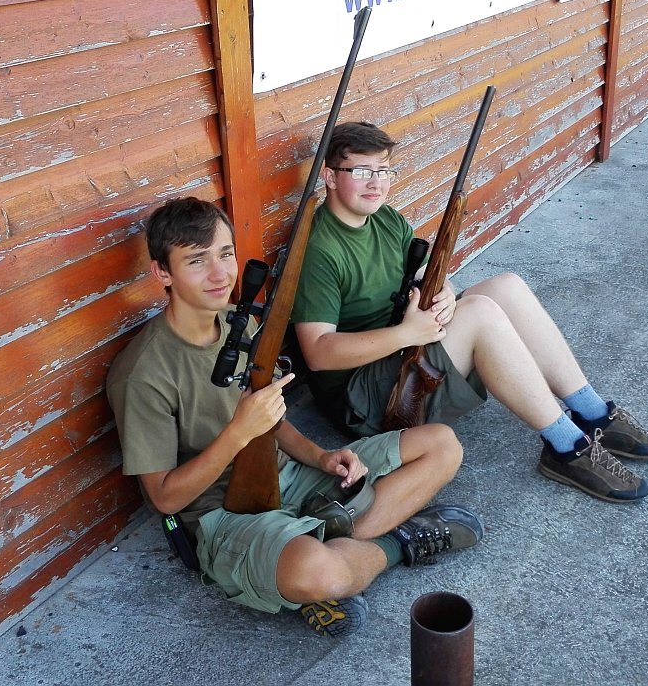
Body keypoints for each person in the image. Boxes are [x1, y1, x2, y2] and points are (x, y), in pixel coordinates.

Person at [106, 196, 484, 638]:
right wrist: (238, 433)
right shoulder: (142, 374)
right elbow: (165, 500)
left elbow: (270, 419)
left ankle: (328, 545)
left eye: (225, 254)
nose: (219, 274)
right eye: (196, 261)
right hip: (221, 515)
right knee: (315, 572)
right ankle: (397, 541)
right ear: (162, 273)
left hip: (286, 475)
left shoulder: (239, 323)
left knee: (440, 445)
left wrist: (320, 457)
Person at [291, 122, 648, 505]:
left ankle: (593, 413)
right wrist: (407, 334)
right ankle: (567, 448)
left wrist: (444, 291)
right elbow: (319, 353)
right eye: (361, 172)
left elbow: (426, 273)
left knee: (506, 286)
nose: (376, 183)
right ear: (330, 176)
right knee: (480, 312)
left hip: (402, 353)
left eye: (384, 170)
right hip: (365, 400)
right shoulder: (318, 249)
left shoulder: (386, 219)